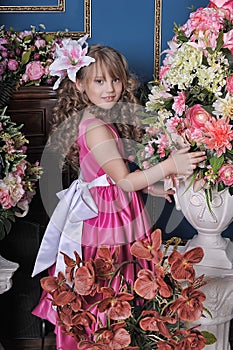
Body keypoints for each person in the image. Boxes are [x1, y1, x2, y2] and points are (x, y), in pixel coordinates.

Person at [31, 36, 206, 349]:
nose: (110, 87)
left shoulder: (94, 119)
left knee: (116, 284)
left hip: (108, 208)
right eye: (99, 80)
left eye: (116, 79)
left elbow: (108, 177)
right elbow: (124, 181)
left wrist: (152, 185)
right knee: (113, 282)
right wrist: (170, 165)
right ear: (80, 85)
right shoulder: (95, 126)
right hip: (107, 220)